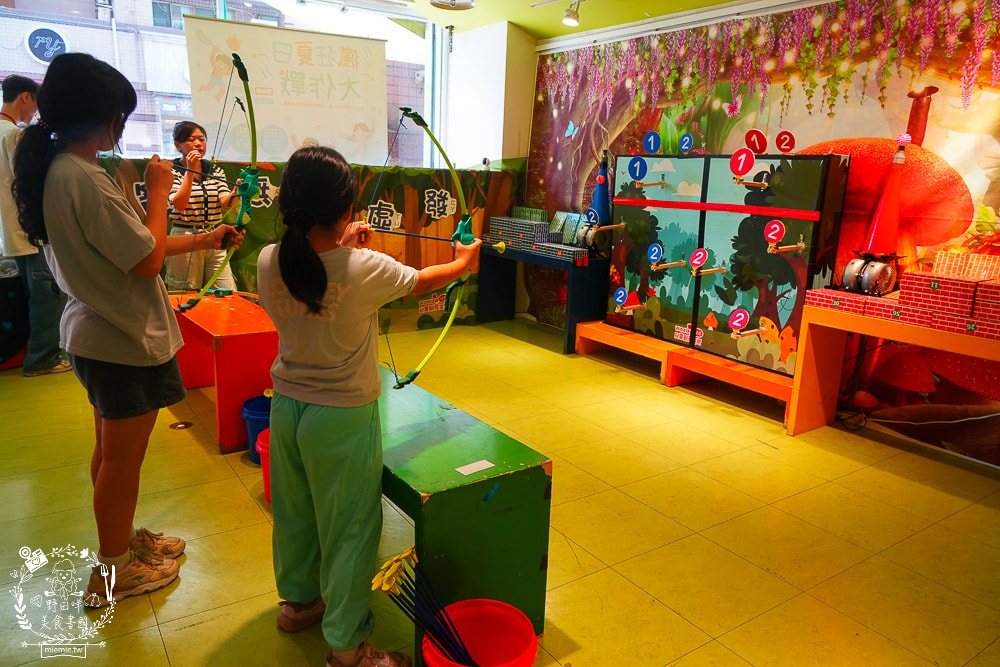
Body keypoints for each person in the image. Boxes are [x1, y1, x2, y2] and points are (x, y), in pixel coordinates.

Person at [11, 53, 241, 607]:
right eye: (120, 114)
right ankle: (112, 572)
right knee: (119, 459)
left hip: (102, 332)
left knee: (110, 453)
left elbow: (138, 249)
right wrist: (160, 192)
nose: (122, 126)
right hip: (120, 339)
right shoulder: (81, 176)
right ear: (103, 115)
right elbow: (145, 262)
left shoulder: (69, 169)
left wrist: (204, 241)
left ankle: (119, 545)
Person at [257, 145, 481, 667]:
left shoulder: (271, 260)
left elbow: (324, 274)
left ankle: (299, 604)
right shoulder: (365, 268)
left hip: (287, 409)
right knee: (351, 530)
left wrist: (342, 243)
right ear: (341, 211)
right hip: (341, 418)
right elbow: (426, 279)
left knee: (295, 515)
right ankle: (348, 648)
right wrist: (467, 260)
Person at [0, 74, 69, 376]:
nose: (35, 112)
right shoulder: (14, 135)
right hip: (29, 230)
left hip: (11, 231)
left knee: (37, 294)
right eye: (35, 104)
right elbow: (29, 181)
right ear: (25, 97)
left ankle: (42, 352)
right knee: (46, 294)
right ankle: (43, 358)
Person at [164, 120, 240, 292]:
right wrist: (190, 171)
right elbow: (179, 204)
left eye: (202, 139)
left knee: (226, 291)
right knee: (186, 292)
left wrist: (237, 189)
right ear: (178, 145)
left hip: (214, 236)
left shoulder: (213, 169)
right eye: (191, 140)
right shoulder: (172, 170)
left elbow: (225, 203)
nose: (198, 144)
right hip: (185, 237)